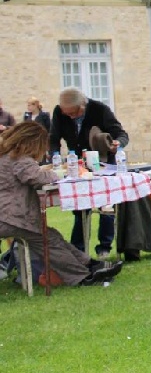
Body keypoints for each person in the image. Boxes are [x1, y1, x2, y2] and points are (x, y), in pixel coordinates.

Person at [0, 122, 123, 286]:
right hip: (11, 217)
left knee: (51, 236)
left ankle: (89, 264)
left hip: (9, 216)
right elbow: (38, 178)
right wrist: (55, 174)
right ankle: (82, 276)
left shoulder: (7, 155)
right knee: (49, 242)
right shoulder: (20, 159)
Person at [49, 87, 129, 258]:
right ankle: (78, 249)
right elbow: (53, 137)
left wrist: (117, 144)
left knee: (106, 205)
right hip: (77, 164)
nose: (69, 116)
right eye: (66, 113)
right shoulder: (59, 112)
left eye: (72, 114)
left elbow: (121, 134)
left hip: (103, 164)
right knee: (80, 208)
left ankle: (104, 248)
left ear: (82, 107)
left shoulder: (100, 109)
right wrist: (54, 154)